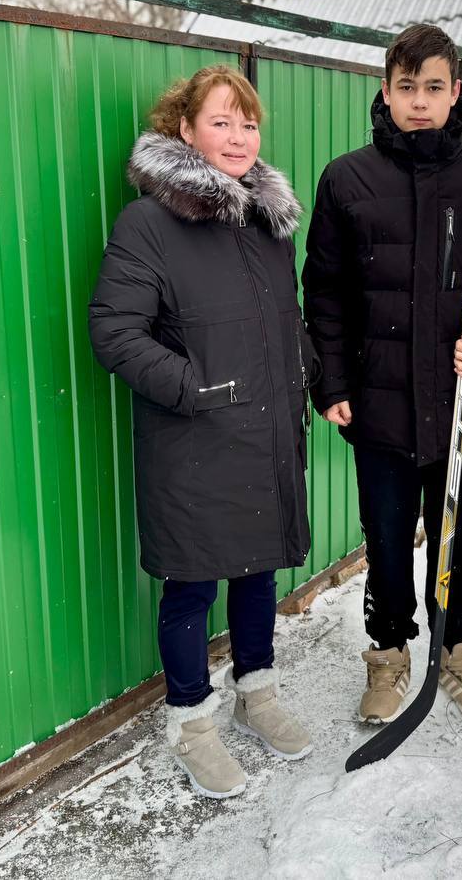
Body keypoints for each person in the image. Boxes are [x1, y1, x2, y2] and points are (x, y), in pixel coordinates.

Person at [302, 23, 462, 727]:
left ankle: (456, 647)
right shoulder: (347, 180)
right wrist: (334, 383)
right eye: (405, 87)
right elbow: (324, 292)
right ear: (385, 90)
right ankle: (387, 652)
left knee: (459, 540)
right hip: (380, 406)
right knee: (384, 539)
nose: (418, 101)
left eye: (432, 87)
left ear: (455, 92)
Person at [88, 65, 318, 799]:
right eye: (221, 121)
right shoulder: (148, 223)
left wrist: (313, 379)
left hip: (266, 432)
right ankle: (191, 721)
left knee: (258, 570)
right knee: (190, 589)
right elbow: (114, 331)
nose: (239, 136)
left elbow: (286, 323)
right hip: (193, 440)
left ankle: (258, 690)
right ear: (184, 131)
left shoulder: (267, 224)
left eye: (248, 124)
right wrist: (194, 388)